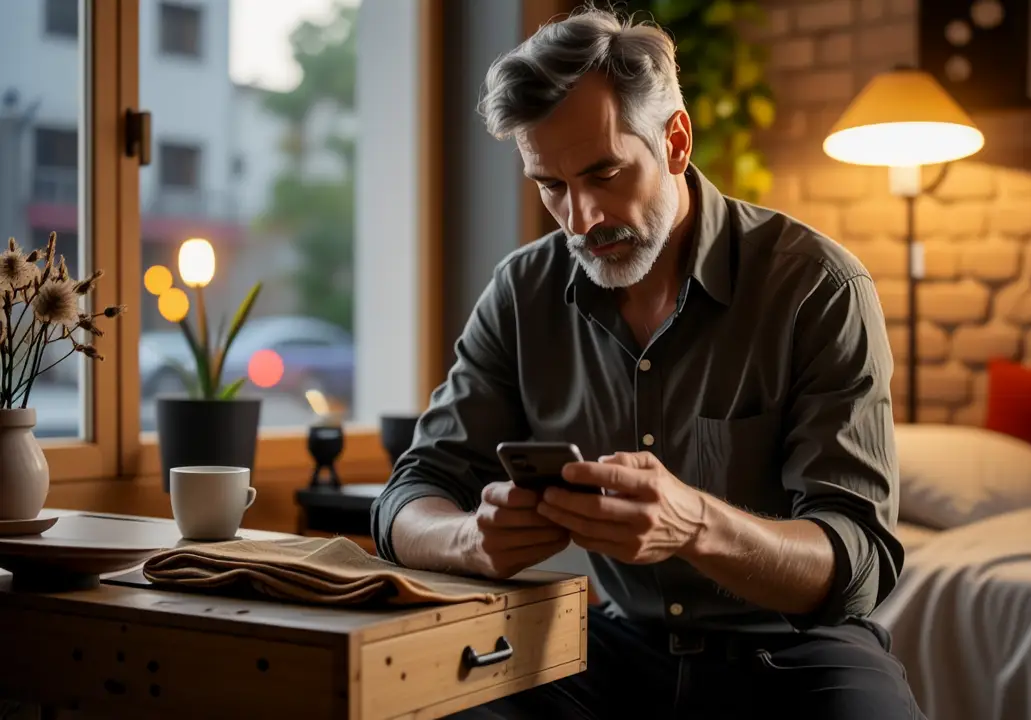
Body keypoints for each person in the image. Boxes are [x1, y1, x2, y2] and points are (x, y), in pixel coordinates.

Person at [370, 6, 922, 719]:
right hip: (609, 648)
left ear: (677, 141)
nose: (582, 218)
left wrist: (697, 526)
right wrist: (470, 540)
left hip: (796, 650)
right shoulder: (521, 294)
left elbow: (859, 562)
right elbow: (408, 496)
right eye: (550, 185)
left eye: (604, 172)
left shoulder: (817, 287)